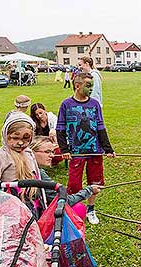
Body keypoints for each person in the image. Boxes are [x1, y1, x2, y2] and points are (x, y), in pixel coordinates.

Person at [56, 73, 115, 224]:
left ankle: (91, 209)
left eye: (92, 86)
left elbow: (100, 126)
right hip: (76, 152)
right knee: (74, 184)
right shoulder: (66, 104)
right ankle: (75, 210)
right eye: (88, 86)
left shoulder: (94, 104)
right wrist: (64, 150)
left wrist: (107, 148)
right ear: (77, 85)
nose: (91, 89)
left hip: (94, 150)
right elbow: (60, 128)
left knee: (95, 182)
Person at [30, 136, 101, 220]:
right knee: (78, 209)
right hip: (35, 216)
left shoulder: (33, 169)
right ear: (31, 152)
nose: (52, 155)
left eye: (52, 152)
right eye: (47, 152)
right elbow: (64, 200)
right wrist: (89, 190)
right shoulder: (38, 174)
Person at [0, 113, 39, 205]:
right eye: (15, 138)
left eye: (26, 138)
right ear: (5, 135)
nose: (20, 142)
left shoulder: (29, 153)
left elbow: (37, 175)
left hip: (33, 201)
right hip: (11, 205)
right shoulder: (1, 157)